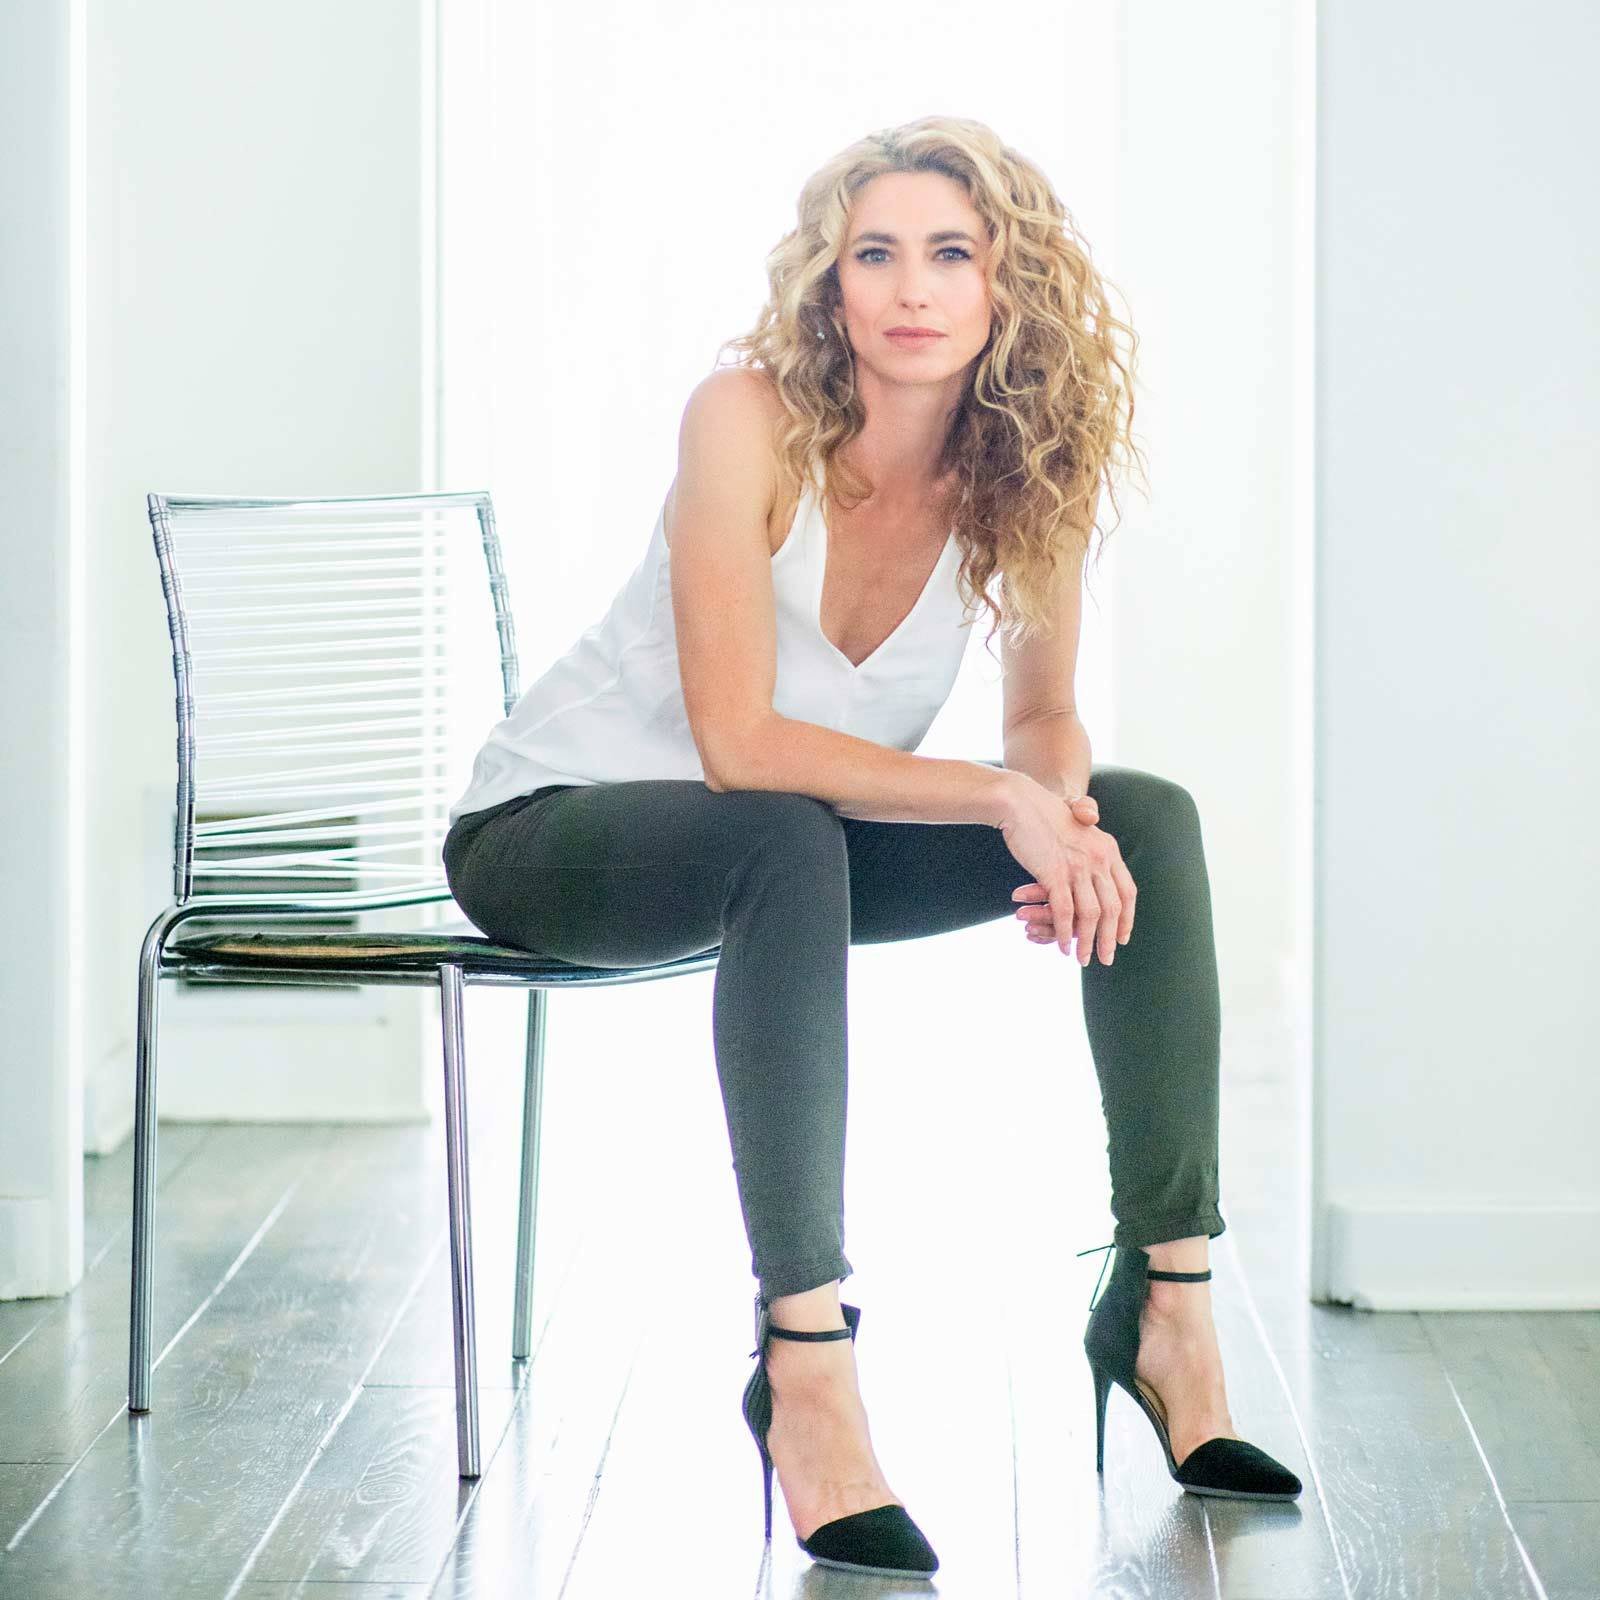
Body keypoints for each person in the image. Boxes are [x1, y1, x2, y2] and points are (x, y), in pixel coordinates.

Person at [442, 114, 1298, 1579]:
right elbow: (738, 745)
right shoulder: (745, 420)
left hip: (797, 849)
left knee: (1143, 819)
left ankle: (1170, 1308)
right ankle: (807, 1363)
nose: (912, 288)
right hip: (554, 835)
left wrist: (1057, 817)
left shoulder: (1031, 463)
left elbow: (1041, 717)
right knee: (781, 831)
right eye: (875, 254)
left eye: (951, 254)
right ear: (828, 284)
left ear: (1007, 283)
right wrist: (996, 799)